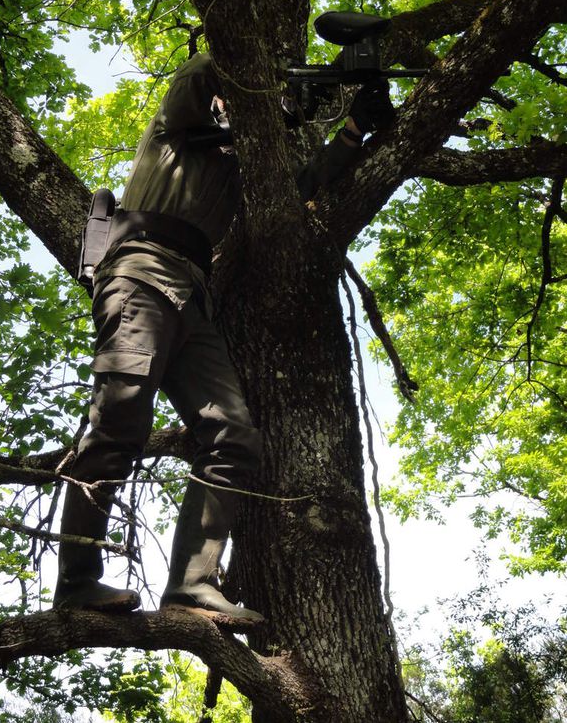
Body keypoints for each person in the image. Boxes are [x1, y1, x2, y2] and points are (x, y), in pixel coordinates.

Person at [53, 52, 394, 621]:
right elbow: (201, 73)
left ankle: (191, 584)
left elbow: (302, 184)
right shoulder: (177, 127)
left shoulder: (241, 167)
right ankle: (77, 582)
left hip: (194, 299)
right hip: (141, 275)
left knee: (234, 440)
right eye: (230, 98)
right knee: (119, 422)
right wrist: (260, 69)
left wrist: (354, 128)